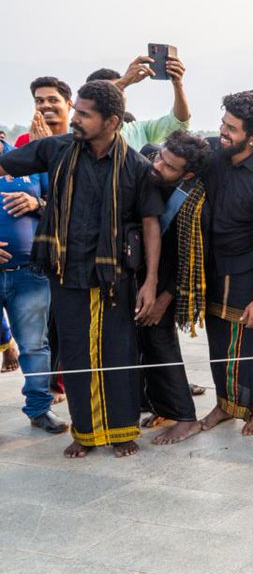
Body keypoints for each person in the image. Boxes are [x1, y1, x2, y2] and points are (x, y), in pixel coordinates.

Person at [0, 80, 165, 458]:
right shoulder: (57, 149)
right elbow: (3, 164)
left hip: (116, 279)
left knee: (118, 354)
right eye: (77, 111)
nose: (75, 119)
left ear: (111, 121)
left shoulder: (136, 167)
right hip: (66, 274)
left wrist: (151, 281)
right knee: (75, 354)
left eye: (84, 114)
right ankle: (86, 432)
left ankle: (122, 431)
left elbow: (151, 225)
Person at [179, 91, 253, 437]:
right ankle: (225, 405)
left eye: (231, 128)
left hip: (249, 275)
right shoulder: (214, 158)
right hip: (213, 269)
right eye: (223, 124)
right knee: (219, 345)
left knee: (251, 346)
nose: (223, 132)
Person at [0, 80, 69, 435]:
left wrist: (35, 203)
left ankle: (39, 408)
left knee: (35, 345)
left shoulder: (24, 159)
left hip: (29, 271)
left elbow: (59, 203)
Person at [135, 132, 211, 444]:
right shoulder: (154, 176)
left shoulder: (193, 202)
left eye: (168, 166)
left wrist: (166, 296)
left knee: (161, 344)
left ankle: (185, 416)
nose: (158, 165)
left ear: (188, 174)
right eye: (159, 158)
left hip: (168, 283)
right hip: (144, 278)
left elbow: (189, 258)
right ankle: (163, 407)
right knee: (148, 345)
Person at [91, 53, 191, 150]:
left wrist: (178, 84)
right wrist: (123, 82)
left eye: (122, 90)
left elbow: (179, 123)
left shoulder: (140, 130)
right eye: (116, 88)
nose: (117, 96)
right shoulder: (80, 131)